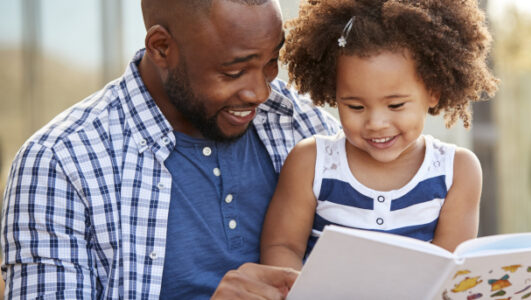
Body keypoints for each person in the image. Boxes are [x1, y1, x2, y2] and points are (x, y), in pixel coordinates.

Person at [1, 0, 339, 299]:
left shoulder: (307, 128)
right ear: (161, 47)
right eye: (234, 71)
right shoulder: (59, 164)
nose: (260, 92)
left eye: (271, 61)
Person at [260, 0, 499, 270]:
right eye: (355, 106)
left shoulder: (457, 171)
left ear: (433, 91)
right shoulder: (310, 163)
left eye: (395, 105)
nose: (376, 123)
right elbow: (283, 247)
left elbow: (447, 272)